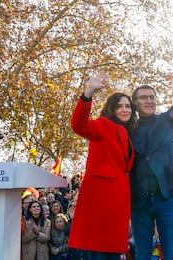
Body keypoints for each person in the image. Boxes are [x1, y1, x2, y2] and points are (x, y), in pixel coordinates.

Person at [129, 53, 173, 260]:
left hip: (167, 196)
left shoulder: (167, 120)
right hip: (138, 199)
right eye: (143, 97)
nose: (149, 100)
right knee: (142, 253)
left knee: (170, 253)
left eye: (151, 97)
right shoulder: (127, 127)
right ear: (134, 103)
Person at [68, 75, 137, 259]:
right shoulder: (103, 125)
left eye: (128, 106)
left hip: (117, 208)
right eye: (120, 106)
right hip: (101, 205)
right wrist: (88, 93)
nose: (124, 109)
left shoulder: (128, 133)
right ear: (111, 109)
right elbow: (79, 125)